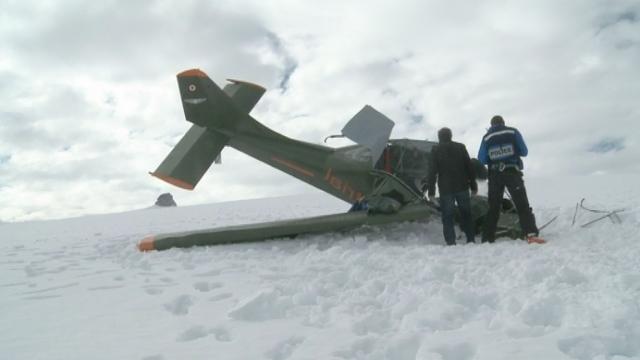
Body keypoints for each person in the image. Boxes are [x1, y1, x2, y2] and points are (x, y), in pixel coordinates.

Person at [477, 115, 545, 244]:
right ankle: (530, 234)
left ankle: (487, 238)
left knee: (493, 207)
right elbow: (524, 151)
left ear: (491, 125)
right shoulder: (512, 132)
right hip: (512, 172)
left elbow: (481, 159)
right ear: (503, 122)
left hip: (495, 175)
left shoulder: (486, 138)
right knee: (521, 204)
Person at [426, 127, 478, 245]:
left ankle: (451, 242)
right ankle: (470, 240)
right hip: (462, 186)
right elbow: (469, 168)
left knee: (448, 216)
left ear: (439, 137)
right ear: (451, 136)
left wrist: (431, 192)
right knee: (466, 214)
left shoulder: (436, 150)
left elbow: (432, 172)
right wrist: (473, 186)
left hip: (446, 189)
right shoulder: (460, 147)